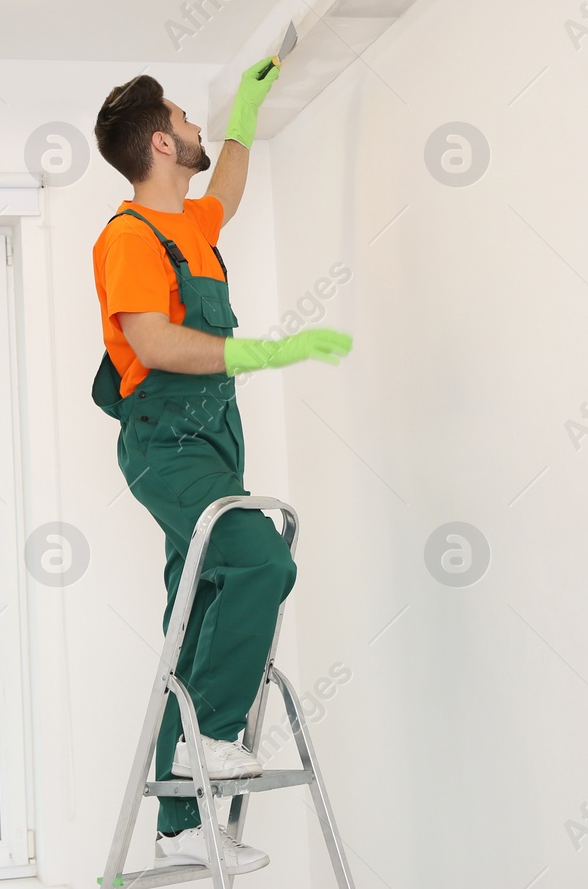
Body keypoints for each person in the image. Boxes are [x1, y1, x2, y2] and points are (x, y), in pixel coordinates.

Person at [90, 58, 353, 874]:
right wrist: (265, 350)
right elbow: (152, 341)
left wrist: (246, 111)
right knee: (260, 557)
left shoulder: (188, 228)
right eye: (190, 120)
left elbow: (227, 191)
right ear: (163, 143)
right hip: (165, 443)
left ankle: (177, 823)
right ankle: (210, 738)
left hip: (212, 441)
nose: (199, 129)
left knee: (199, 602)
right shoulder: (130, 236)